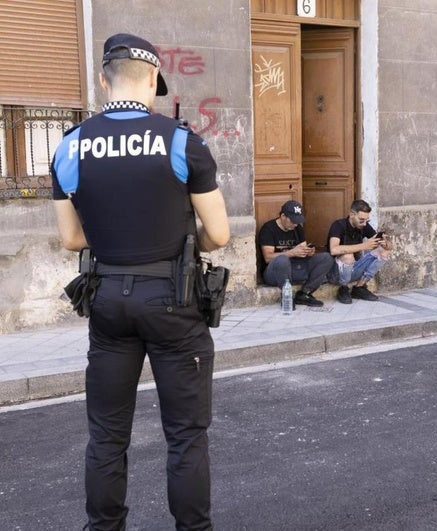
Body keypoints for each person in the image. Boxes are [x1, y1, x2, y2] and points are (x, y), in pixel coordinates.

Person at [50, 33, 229, 530]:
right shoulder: (181, 141)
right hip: (173, 299)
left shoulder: (71, 145)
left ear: (104, 80)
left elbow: (70, 239)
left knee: (106, 436)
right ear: (152, 79)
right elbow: (217, 233)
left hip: (107, 299)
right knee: (187, 436)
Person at [258, 200, 332, 307]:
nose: (295, 224)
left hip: (296, 269)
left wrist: (308, 252)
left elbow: (302, 249)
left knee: (326, 258)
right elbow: (268, 257)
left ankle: (305, 293)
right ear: (283, 216)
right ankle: (286, 296)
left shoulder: (297, 228)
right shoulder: (269, 229)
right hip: (276, 273)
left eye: (297, 221)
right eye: (292, 221)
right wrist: (292, 252)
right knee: (282, 260)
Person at [327, 199, 393, 304]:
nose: (364, 223)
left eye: (366, 220)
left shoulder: (364, 225)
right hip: (336, 273)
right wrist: (364, 246)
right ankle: (343, 289)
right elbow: (334, 249)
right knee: (348, 256)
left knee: (383, 251)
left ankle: (359, 287)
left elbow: (384, 244)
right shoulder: (338, 225)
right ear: (352, 214)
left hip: (354, 268)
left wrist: (387, 244)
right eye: (361, 220)